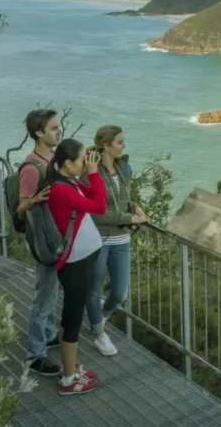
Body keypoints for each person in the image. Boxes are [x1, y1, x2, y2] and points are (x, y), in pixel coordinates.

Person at [47, 139, 106, 395]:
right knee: (72, 320)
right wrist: (93, 173)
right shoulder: (61, 189)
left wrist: (91, 176)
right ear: (68, 163)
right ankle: (69, 380)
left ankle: (70, 366)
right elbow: (101, 207)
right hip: (74, 263)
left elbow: (95, 196)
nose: (86, 163)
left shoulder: (69, 182)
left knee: (71, 316)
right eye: (82, 159)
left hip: (81, 260)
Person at [87, 125, 148, 356]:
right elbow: (96, 212)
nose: (124, 146)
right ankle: (99, 333)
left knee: (120, 293)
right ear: (107, 146)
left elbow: (125, 199)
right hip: (98, 238)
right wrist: (129, 218)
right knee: (93, 290)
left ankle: (98, 316)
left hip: (121, 238)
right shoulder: (90, 172)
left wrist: (136, 207)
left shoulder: (124, 168)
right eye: (120, 142)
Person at [18, 109, 61, 377]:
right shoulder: (32, 167)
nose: (59, 131)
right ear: (39, 133)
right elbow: (20, 208)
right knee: (43, 295)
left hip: (54, 235)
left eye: (59, 127)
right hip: (42, 239)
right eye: (54, 128)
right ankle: (36, 355)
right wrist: (32, 201)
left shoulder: (53, 160)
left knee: (52, 290)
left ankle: (47, 332)